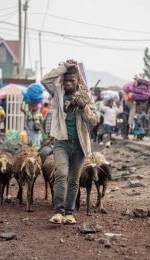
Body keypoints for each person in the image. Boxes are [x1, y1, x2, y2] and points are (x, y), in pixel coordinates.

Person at [41, 59, 97, 225]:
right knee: (61, 174)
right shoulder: (57, 93)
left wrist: (83, 107)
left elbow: (94, 120)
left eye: (72, 80)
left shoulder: (85, 96)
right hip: (61, 142)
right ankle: (58, 211)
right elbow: (45, 80)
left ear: (77, 81)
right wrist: (64, 67)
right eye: (66, 80)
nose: (68, 83)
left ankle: (69, 213)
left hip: (79, 145)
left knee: (74, 179)